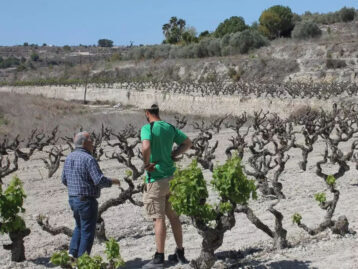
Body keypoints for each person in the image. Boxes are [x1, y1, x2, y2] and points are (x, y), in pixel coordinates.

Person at [141, 104, 192, 269]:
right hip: (172, 177)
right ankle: (180, 252)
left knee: (158, 218)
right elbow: (187, 143)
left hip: (156, 178)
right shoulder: (169, 127)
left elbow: (146, 146)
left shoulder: (148, 127)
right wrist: (174, 154)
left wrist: (146, 163)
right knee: (174, 217)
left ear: (147, 113)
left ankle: (159, 257)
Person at [61, 131, 120, 258]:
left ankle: (72, 255)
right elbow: (99, 180)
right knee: (88, 231)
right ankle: (83, 261)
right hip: (86, 201)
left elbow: (64, 180)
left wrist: (75, 188)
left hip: (73, 199)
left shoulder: (69, 157)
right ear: (85, 143)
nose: (93, 144)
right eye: (91, 141)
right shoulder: (88, 159)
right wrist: (113, 181)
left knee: (79, 226)